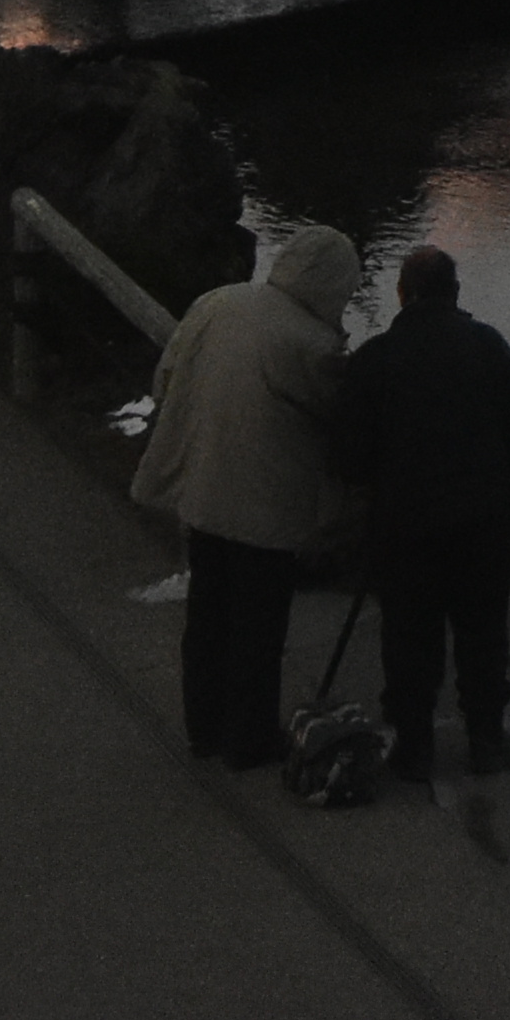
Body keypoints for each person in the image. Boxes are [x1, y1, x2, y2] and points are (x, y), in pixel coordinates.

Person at [129, 221, 358, 768]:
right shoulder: (313, 344)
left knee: (207, 616)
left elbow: (167, 377)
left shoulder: (218, 303)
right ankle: (249, 740)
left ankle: (202, 728)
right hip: (268, 512)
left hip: (204, 492)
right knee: (258, 630)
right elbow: (341, 421)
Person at [338, 242, 510, 777]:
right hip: (480, 522)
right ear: (455, 293)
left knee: (409, 634)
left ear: (402, 295)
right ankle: (485, 738)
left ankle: (414, 745)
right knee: (482, 630)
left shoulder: (376, 359)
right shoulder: (488, 347)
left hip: (404, 526)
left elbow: (351, 457)